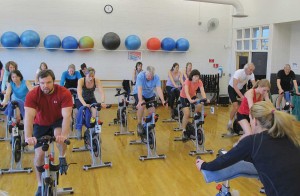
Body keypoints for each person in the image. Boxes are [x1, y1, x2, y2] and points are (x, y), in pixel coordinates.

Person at [196, 101, 300, 196]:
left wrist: (204, 165)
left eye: (249, 120)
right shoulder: (289, 137)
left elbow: (224, 160)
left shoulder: (253, 141)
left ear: (254, 121)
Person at [24, 69, 73, 196]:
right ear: (38, 83)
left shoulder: (63, 92)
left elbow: (67, 116)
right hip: (40, 123)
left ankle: (62, 156)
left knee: (59, 137)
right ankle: (40, 184)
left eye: (48, 82)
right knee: (39, 155)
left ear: (54, 81)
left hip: (58, 121)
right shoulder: (33, 94)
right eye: (42, 83)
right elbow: (29, 116)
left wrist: (64, 135)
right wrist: (28, 136)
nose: (45, 85)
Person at [133, 66, 167, 135]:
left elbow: (159, 89)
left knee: (152, 111)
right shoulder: (140, 76)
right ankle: (139, 124)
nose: (149, 77)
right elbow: (139, 89)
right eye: (148, 75)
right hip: (139, 93)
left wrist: (163, 100)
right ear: (145, 73)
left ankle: (147, 125)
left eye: (151, 76)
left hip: (149, 94)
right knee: (142, 106)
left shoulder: (156, 77)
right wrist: (140, 101)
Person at [179, 69, 210, 140]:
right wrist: (190, 100)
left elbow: (202, 91)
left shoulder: (199, 82)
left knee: (200, 104)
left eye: (198, 76)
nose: (197, 78)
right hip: (184, 97)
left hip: (193, 96)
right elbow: (186, 92)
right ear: (192, 76)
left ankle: (194, 118)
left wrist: (205, 99)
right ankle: (183, 131)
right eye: (195, 76)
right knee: (187, 114)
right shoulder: (187, 81)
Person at [227, 63, 256, 130]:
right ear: (246, 68)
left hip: (241, 88)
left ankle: (244, 120)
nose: (251, 72)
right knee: (236, 106)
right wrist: (242, 96)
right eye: (250, 70)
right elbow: (235, 86)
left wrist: (250, 92)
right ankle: (230, 122)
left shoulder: (251, 74)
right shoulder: (238, 72)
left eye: (253, 70)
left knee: (248, 103)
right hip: (232, 88)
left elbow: (254, 85)